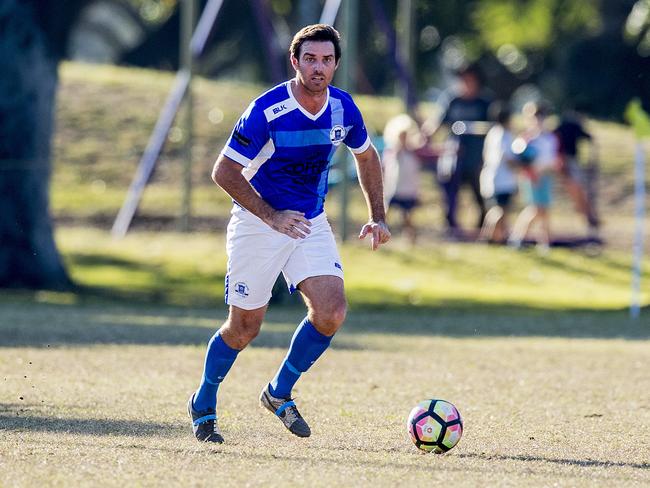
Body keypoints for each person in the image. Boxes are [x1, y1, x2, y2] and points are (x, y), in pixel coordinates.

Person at [188, 24, 391, 443]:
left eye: (327, 60)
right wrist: (270, 216)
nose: (319, 68)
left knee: (331, 311)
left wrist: (378, 215)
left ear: (336, 64)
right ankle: (203, 401)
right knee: (244, 328)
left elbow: (367, 157)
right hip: (256, 223)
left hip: (309, 222)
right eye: (311, 59)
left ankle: (278, 393)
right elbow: (223, 171)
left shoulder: (343, 108)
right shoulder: (267, 109)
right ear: (295, 61)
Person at [422, 64, 492, 237]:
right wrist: (425, 135)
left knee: (481, 195)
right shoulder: (453, 100)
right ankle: (451, 227)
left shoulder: (484, 103)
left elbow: (494, 128)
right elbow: (436, 123)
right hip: (454, 158)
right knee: (451, 195)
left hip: (477, 159)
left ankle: (483, 228)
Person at [508, 103, 559, 252]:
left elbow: (552, 159)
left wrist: (546, 168)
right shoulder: (525, 139)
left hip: (545, 176)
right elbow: (520, 159)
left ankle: (544, 242)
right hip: (531, 177)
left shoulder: (550, 138)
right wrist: (532, 172)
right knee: (534, 209)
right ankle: (517, 237)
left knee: (544, 210)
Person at [554, 109, 600, 234]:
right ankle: (588, 218)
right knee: (578, 191)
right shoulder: (575, 126)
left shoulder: (561, 126)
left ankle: (588, 218)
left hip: (563, 162)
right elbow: (590, 138)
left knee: (577, 192)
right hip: (569, 162)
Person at [382, 114, 424, 245]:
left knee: (408, 216)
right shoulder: (393, 151)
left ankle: (411, 239)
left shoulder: (412, 152)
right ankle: (378, 234)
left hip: (408, 188)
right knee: (384, 214)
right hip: (394, 187)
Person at [478, 104, 518, 243]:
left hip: (489, 176)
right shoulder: (504, 135)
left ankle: (492, 236)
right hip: (502, 179)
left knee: (494, 210)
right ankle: (490, 237)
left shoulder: (492, 133)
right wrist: (520, 165)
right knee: (500, 210)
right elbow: (507, 158)